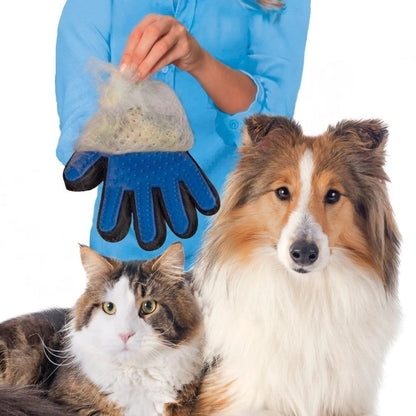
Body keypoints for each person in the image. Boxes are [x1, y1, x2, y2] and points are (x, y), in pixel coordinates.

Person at [55, 0, 310, 268]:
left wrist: (199, 61)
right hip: (128, 252)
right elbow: (79, 107)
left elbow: (272, 128)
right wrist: (114, 142)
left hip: (238, 251)